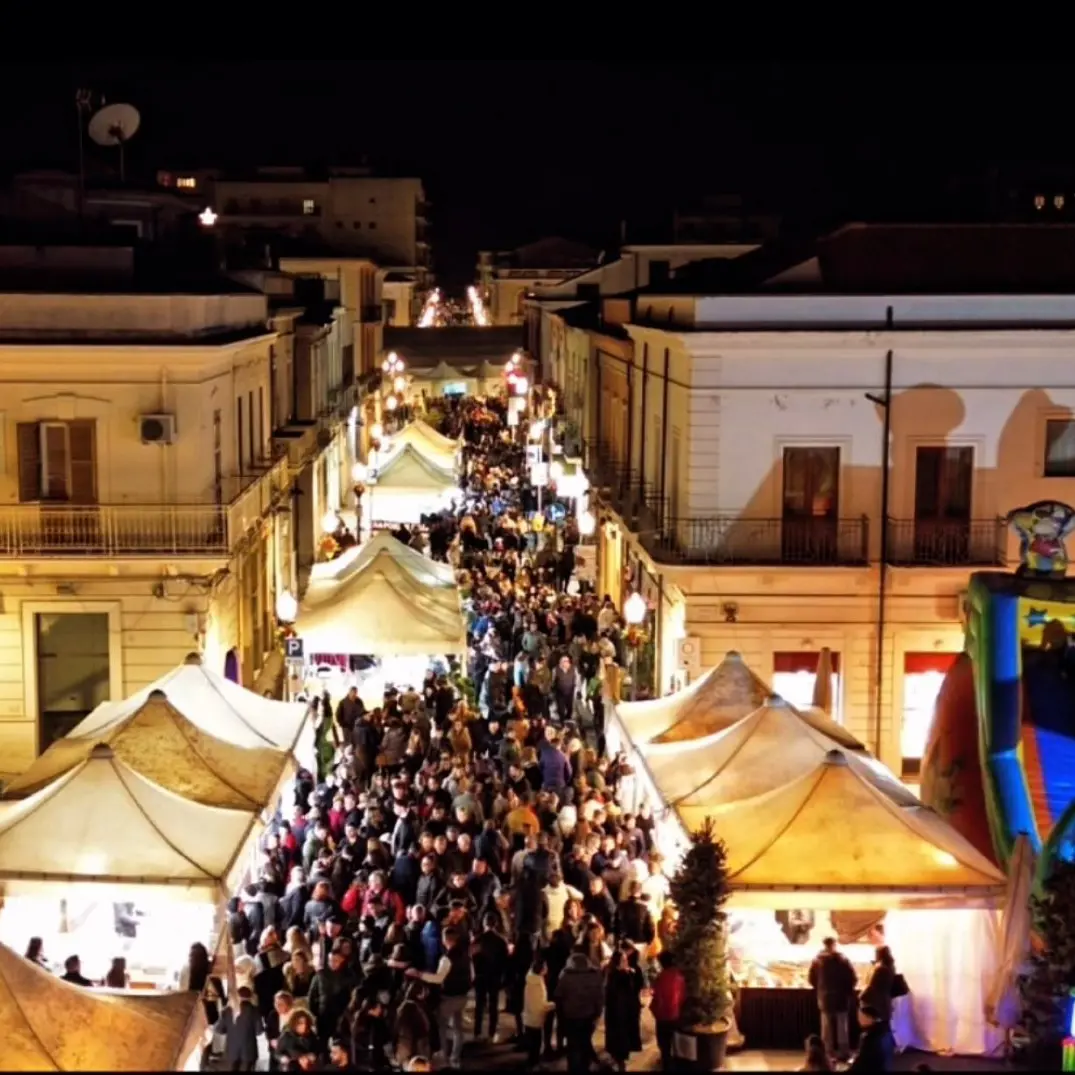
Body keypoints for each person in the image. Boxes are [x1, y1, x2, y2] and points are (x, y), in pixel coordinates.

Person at [408, 924, 471, 1070]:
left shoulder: (447, 959)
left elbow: (438, 978)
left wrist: (419, 974)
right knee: (457, 1027)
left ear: (445, 940)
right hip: (463, 996)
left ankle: (444, 1057)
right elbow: (472, 975)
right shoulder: (466, 955)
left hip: (449, 997)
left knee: (441, 1026)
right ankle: (455, 1058)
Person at [807, 936, 857, 1061]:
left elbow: (811, 979)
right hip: (841, 997)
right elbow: (852, 978)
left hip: (825, 997)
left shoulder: (817, 961)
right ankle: (844, 1052)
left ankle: (828, 1053)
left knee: (826, 1028)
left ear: (824, 945)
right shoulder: (843, 960)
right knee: (842, 1026)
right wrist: (848, 991)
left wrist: (819, 989)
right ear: (834, 945)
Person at [649, 950, 685, 1071]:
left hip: (663, 1017)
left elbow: (658, 998)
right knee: (674, 1042)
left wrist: (654, 1010)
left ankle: (667, 1065)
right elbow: (682, 996)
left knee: (664, 1045)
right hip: (675, 1015)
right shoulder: (679, 976)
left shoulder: (661, 978)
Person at [849, 1003, 894, 1072]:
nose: (858, 1020)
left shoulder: (871, 1038)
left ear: (869, 1017)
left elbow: (861, 1064)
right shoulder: (885, 1032)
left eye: (860, 1017)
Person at [860, 944, 898, 1024]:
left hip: (878, 1004)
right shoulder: (891, 967)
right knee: (885, 1028)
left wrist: (862, 995)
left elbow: (873, 986)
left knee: (879, 1029)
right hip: (885, 1002)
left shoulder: (881, 969)